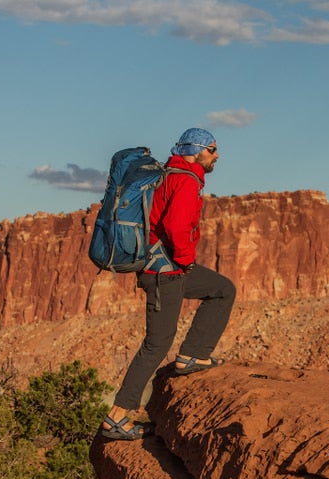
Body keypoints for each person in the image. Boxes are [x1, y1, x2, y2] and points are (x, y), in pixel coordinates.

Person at [100, 128, 236, 440]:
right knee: (157, 343)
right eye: (213, 150)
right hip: (165, 271)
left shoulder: (173, 174)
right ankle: (117, 417)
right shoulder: (185, 180)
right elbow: (176, 226)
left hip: (165, 267)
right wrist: (186, 260)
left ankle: (193, 355)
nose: (217, 155)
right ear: (196, 151)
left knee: (221, 290)